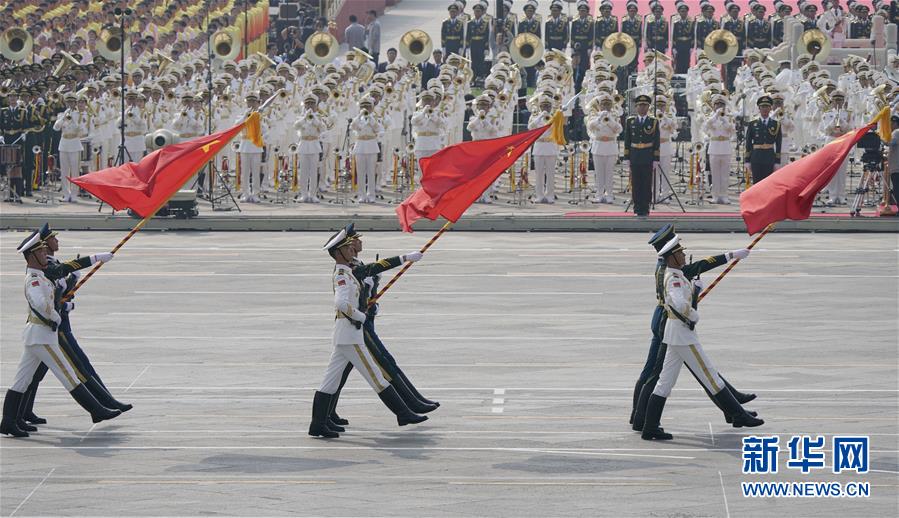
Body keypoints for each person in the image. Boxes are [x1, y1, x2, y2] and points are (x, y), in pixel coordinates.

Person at [631, 224, 757, 431]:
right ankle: (642, 419)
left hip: (666, 321)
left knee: (675, 372)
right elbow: (696, 270)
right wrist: (729, 256)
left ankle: (733, 406)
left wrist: (731, 255)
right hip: (670, 323)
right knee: (674, 372)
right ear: (669, 250)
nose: (682, 251)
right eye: (678, 248)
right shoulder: (669, 271)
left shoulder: (665, 266)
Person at [309, 224, 428, 438]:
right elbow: (341, 304)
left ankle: (318, 425)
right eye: (348, 247)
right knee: (376, 376)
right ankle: (403, 413)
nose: (352, 250)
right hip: (351, 335)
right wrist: (360, 316)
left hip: (345, 336)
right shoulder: (342, 275)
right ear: (339, 252)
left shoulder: (348, 270)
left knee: (330, 381)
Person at [0, 232, 120, 438]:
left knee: (22, 380)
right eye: (40, 251)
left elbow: (60, 275)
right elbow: (40, 303)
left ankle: (8, 422)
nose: (45, 253)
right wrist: (55, 315)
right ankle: (97, 411)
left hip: (37, 336)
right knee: (67, 374)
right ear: (31, 256)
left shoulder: (42, 275)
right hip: (42, 336)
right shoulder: (34, 280)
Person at [624, 94, 659, 217]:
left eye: (645, 106)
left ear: (648, 107)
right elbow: (627, 140)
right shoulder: (630, 121)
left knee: (646, 183)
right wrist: (626, 157)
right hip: (635, 155)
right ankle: (637, 207)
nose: (642, 108)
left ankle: (645, 207)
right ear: (636, 107)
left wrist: (656, 158)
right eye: (640, 106)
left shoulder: (653, 121)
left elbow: (656, 141)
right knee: (636, 183)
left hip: (647, 155)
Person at [351, 97, 384, 203]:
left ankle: (371, 195)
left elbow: (378, 129)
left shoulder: (375, 118)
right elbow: (353, 126)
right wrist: (360, 115)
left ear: (372, 108)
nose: (366, 108)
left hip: (371, 145)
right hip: (360, 146)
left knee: (371, 172)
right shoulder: (357, 118)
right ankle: (361, 194)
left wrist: (371, 118)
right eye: (363, 106)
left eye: (368, 106)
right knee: (360, 172)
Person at [744, 95, 782, 185]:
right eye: (763, 107)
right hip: (756, 156)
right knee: (757, 182)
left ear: (770, 108)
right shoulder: (752, 124)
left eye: (767, 107)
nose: (765, 109)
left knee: (768, 183)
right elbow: (748, 143)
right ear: (759, 108)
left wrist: (777, 161)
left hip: (769, 156)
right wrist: (747, 160)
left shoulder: (776, 124)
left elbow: (779, 143)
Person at [672, 2, 695, 75]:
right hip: (679, 45)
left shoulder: (691, 23)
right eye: (682, 11)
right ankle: (679, 79)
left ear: (687, 12)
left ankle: (686, 78)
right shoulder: (676, 23)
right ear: (679, 12)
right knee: (678, 62)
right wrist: (674, 47)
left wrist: (692, 47)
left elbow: (693, 36)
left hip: (687, 45)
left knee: (687, 62)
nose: (683, 13)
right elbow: (674, 36)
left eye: (685, 11)